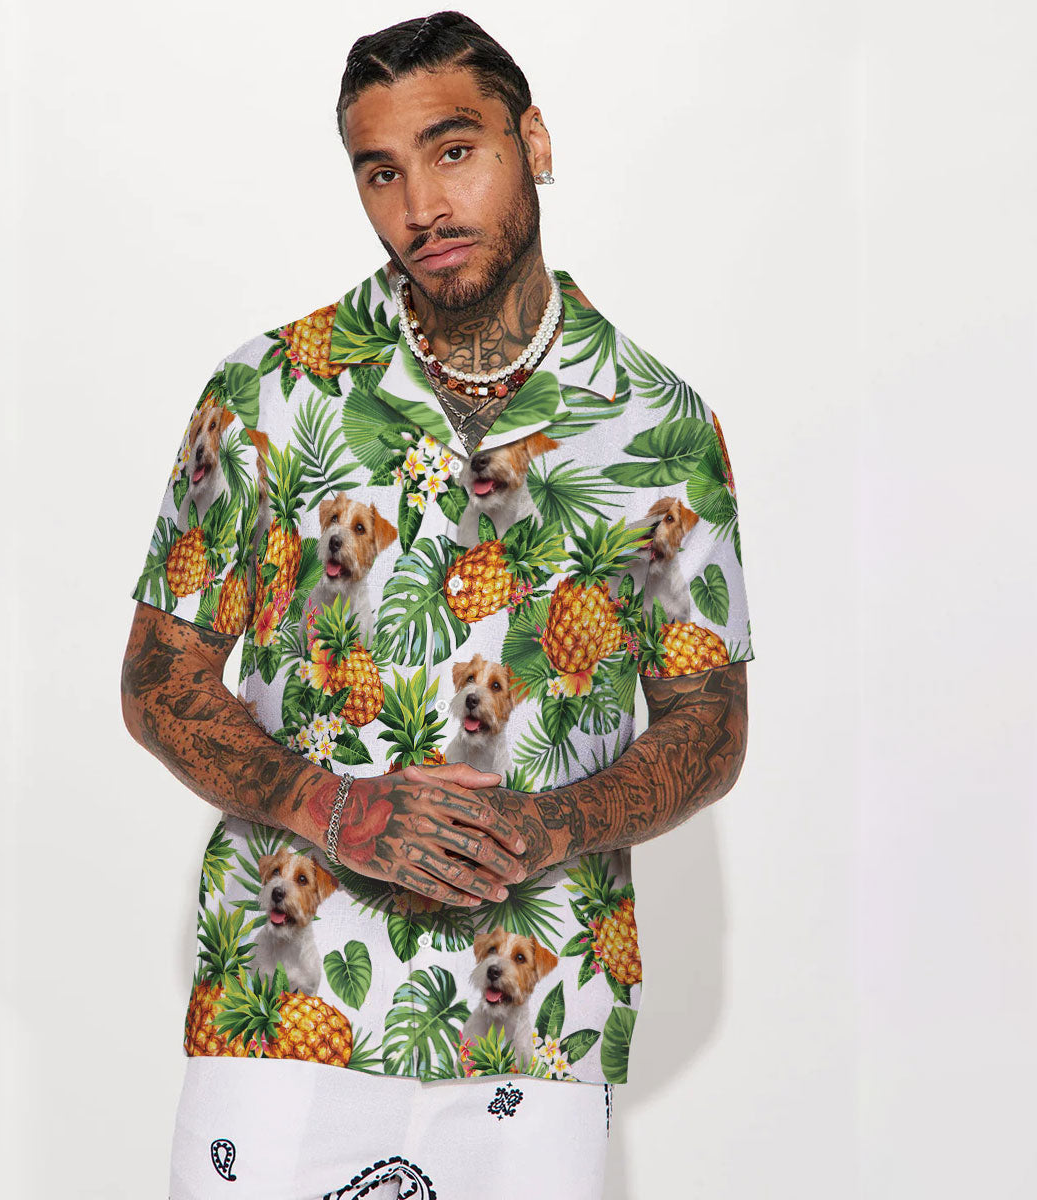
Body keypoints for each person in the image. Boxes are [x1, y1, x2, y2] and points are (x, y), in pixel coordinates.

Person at [121, 11, 753, 1199]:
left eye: (454, 150)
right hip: (283, 1001)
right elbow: (159, 679)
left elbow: (709, 723)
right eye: (381, 172)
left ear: (533, 142)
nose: (421, 205)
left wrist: (550, 827)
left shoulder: (658, 423)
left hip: (540, 1020)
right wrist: (333, 806)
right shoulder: (270, 390)